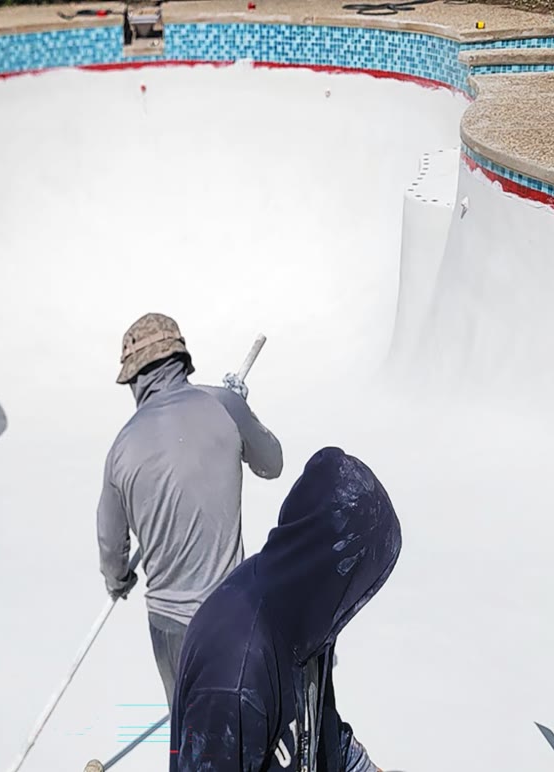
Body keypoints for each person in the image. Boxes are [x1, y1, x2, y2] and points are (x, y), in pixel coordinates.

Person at [170, 446, 399, 772]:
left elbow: (322, 731)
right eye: (357, 578)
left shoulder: (308, 608)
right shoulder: (234, 678)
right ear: (333, 565)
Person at [97, 313, 283, 709]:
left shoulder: (120, 450)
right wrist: (240, 414)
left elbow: (111, 547)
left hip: (168, 629)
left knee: (190, 735)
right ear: (182, 362)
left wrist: (119, 579)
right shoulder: (222, 404)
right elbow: (272, 463)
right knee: (244, 732)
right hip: (232, 614)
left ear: (135, 379)